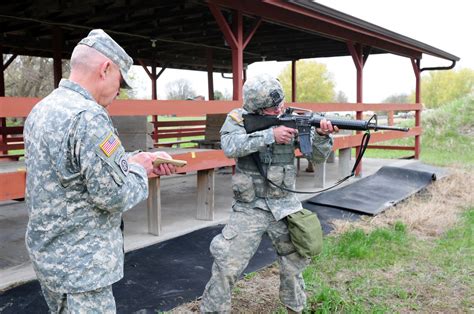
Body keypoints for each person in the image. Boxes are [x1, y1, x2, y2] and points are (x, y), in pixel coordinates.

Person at [23, 29, 176, 313]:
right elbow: (114, 195)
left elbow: (75, 168)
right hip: (83, 267)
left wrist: (137, 158)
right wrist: (141, 172)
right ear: (106, 69)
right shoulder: (88, 117)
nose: (119, 92)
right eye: (120, 82)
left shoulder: (42, 109)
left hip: (50, 258)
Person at [200, 74, 336, 313]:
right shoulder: (238, 119)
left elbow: (317, 157)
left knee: (295, 263)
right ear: (257, 108)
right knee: (227, 264)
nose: (279, 109)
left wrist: (323, 136)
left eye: (280, 104)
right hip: (249, 207)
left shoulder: (292, 119)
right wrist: (269, 135)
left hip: (285, 205)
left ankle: (296, 307)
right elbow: (230, 146)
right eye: (273, 108)